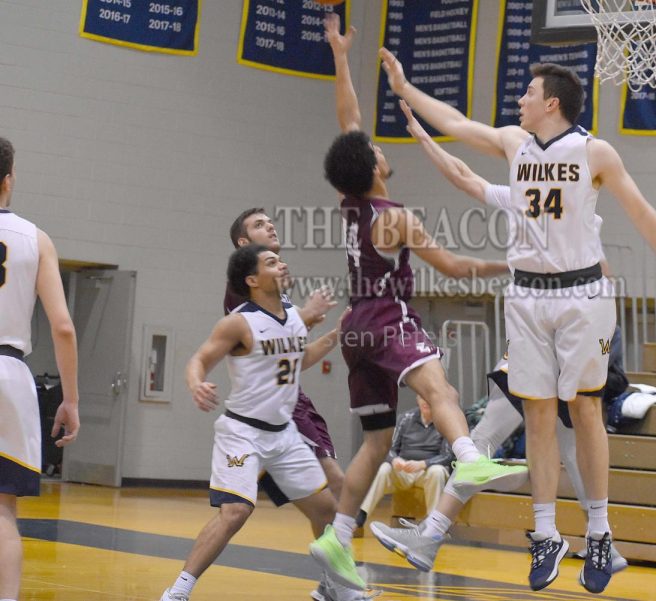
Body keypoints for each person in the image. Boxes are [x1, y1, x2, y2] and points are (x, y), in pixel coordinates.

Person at [380, 52, 656, 593]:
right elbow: (459, 126)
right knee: (535, 413)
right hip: (526, 298)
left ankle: (600, 532)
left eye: (527, 94)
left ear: (550, 101)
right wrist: (405, 87)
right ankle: (548, 533)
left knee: (583, 408)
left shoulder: (594, 150)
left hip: (582, 296)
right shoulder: (515, 143)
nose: (519, 101)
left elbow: (642, 208)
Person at [308, 15, 528, 592]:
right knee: (443, 392)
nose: (380, 148)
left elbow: (348, 123)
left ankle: (338, 531)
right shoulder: (395, 217)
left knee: (376, 441)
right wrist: (515, 262)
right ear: (375, 170)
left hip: (355, 329)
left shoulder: (349, 202)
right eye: (378, 150)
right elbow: (455, 267)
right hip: (385, 319)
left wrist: (340, 57)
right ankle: (467, 453)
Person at [367, 101, 626, 576]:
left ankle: (597, 535)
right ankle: (594, 535)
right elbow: (467, 177)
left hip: (575, 333)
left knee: (536, 441)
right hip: (536, 330)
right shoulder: (525, 196)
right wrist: (425, 139)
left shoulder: (581, 232)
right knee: (518, 442)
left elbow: (600, 297)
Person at [160, 245, 344, 601]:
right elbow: (198, 359)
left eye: (280, 260)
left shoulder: (292, 314)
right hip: (243, 432)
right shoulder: (238, 322)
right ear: (252, 279)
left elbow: (299, 359)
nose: (282, 264)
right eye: (271, 262)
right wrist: (197, 383)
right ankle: (178, 591)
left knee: (327, 510)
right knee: (235, 511)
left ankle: (334, 587)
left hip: (284, 434)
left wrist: (338, 333)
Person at [225, 208, 354, 601]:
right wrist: (310, 317)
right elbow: (264, 339)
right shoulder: (243, 293)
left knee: (330, 498)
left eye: (270, 221)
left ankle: (335, 584)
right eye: (259, 225)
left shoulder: (278, 288)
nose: (271, 226)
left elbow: (295, 353)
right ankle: (340, 585)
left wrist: (331, 333)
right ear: (244, 246)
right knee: (336, 486)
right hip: (273, 410)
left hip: (295, 399)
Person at [0, 136, 80, 601]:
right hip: (10, 375)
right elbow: (64, 327)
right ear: (9, 179)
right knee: (3, 511)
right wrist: (69, 399)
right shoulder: (36, 238)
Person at [357, 395, 453, 527]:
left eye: (428, 397)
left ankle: (433, 524)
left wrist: (423, 464)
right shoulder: (405, 418)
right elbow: (389, 448)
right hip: (404, 471)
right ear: (417, 399)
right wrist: (395, 459)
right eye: (422, 397)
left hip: (427, 472)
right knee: (384, 467)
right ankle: (361, 514)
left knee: (437, 472)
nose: (425, 401)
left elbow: (448, 455)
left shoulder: (445, 421)